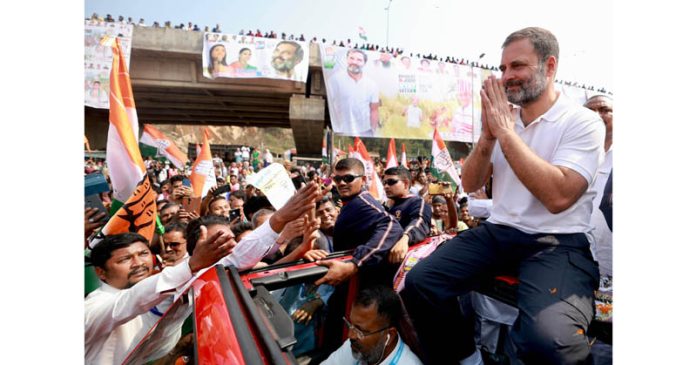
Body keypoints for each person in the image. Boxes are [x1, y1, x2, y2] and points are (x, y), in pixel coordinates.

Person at [400, 27, 605, 365]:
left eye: (518, 66)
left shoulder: (582, 122)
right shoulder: (503, 120)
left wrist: (506, 133)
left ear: (550, 66)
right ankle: (467, 359)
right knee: (420, 283)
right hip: (499, 233)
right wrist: (487, 136)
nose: (507, 77)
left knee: (551, 342)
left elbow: (558, 196)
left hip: (557, 242)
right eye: (504, 68)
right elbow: (470, 182)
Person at [85, 230, 235, 364]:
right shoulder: (93, 307)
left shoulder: (150, 298)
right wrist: (190, 265)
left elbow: (158, 349)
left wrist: (178, 305)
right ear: (101, 272)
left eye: (143, 254)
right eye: (125, 259)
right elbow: (131, 299)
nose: (138, 263)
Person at [313, 158, 403, 360]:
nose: (342, 183)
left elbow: (391, 226)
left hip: (360, 284)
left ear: (362, 180)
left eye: (348, 178)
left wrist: (355, 264)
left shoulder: (362, 202)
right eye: (337, 179)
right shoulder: (351, 203)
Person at [321, 286, 422, 365]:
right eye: (350, 325)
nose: (350, 336)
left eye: (361, 331)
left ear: (389, 336)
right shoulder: (356, 346)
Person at [382, 167, 432, 264]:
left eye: (391, 182)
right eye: (384, 183)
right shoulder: (385, 206)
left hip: (402, 263)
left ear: (405, 183)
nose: (386, 186)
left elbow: (419, 221)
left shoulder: (416, 202)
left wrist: (405, 238)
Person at [328, 49, 380, 136]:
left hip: (365, 132)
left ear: (364, 63)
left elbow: (374, 110)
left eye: (359, 60)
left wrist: (373, 131)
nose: (354, 62)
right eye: (351, 58)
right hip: (342, 131)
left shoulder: (372, 84)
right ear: (347, 60)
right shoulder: (335, 80)